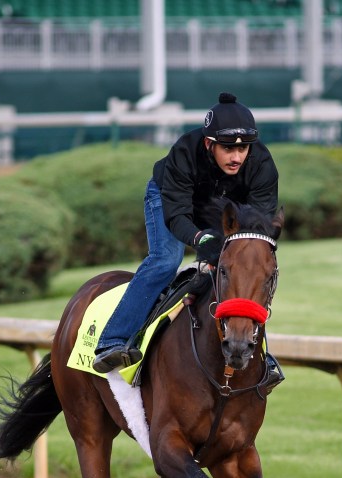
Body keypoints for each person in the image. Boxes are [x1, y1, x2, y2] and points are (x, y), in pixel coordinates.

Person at [92, 92, 280, 374]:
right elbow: (178, 215)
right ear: (209, 143)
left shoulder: (262, 165)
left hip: (223, 207)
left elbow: (258, 228)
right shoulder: (184, 152)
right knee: (165, 261)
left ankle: (259, 353)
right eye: (228, 149)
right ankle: (112, 340)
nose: (236, 157)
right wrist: (200, 240)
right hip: (171, 199)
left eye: (243, 150)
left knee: (251, 267)